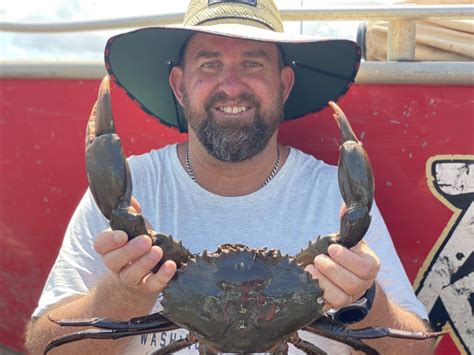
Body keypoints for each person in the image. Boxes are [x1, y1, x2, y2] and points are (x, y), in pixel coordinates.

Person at [26, 0, 435, 354]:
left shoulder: (336, 198)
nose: (232, 85)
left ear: (284, 83)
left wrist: (365, 302)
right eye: (210, 63)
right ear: (180, 85)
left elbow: (415, 348)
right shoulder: (127, 193)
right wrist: (121, 295)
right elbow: (46, 344)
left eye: (252, 63)